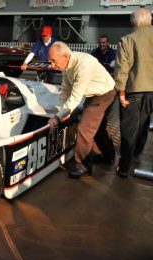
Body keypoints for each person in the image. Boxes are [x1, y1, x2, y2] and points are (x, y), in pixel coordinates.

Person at [47, 41, 116, 179]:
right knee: (97, 128)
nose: (52, 65)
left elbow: (75, 97)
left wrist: (57, 117)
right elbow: (65, 90)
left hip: (103, 95)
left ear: (66, 56)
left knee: (84, 128)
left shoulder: (83, 65)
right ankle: (108, 157)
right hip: (93, 95)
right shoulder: (67, 65)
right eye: (50, 61)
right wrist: (61, 111)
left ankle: (83, 165)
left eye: (54, 61)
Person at [114, 7, 153, 178]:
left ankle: (124, 167)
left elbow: (122, 68)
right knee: (145, 123)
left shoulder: (127, 40)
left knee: (129, 128)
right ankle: (137, 153)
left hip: (134, 90)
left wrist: (121, 92)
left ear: (133, 21)